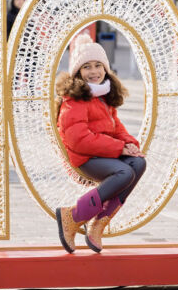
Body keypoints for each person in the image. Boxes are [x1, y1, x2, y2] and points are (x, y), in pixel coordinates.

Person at [54, 34, 146, 253]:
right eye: (87, 67)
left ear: (106, 69)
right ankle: (74, 215)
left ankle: (98, 223)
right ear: (78, 72)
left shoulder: (103, 95)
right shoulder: (74, 99)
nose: (94, 71)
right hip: (85, 157)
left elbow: (116, 127)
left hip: (103, 153)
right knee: (124, 173)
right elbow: (80, 140)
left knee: (138, 164)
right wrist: (118, 148)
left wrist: (130, 144)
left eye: (98, 66)